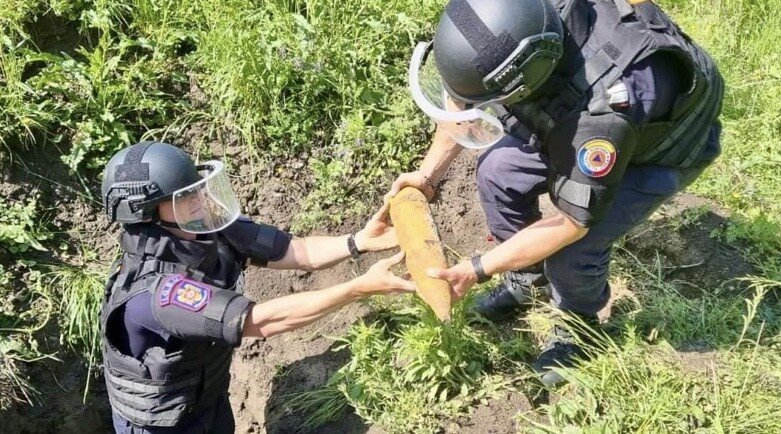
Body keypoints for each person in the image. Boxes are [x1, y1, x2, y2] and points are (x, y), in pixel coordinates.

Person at [386, 0, 723, 386]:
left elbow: (571, 224)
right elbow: (461, 106)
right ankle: (528, 279)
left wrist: (479, 268)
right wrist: (426, 177)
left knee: (575, 249)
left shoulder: (603, 114)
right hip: (579, 109)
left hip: (661, 146)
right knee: (497, 170)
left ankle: (580, 327)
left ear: (519, 85)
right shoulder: (518, 26)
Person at [100, 141, 415, 433]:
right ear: (148, 215)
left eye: (195, 189)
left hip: (208, 396)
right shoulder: (156, 294)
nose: (197, 201)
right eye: (183, 197)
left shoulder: (209, 232)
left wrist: (358, 241)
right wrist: (359, 288)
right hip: (160, 426)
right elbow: (261, 321)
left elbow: (298, 251)